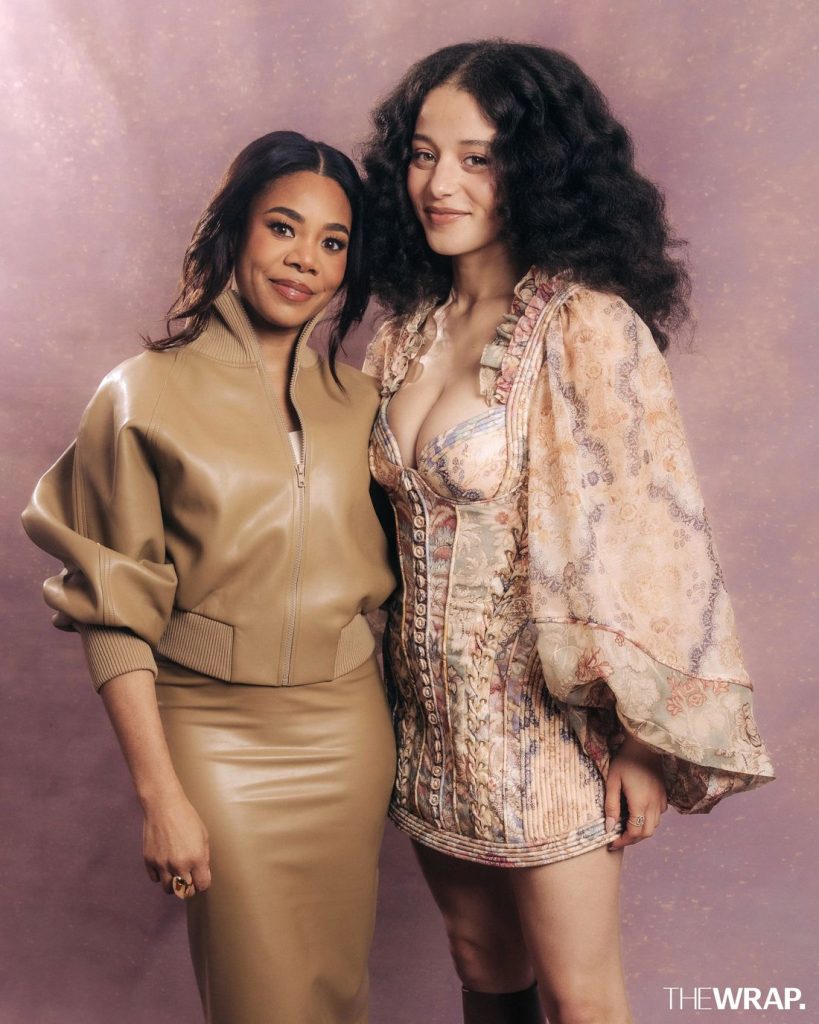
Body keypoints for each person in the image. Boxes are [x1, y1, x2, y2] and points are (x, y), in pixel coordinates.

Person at [360, 41, 774, 1024]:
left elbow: (658, 541)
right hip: (424, 722)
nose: (440, 184)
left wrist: (644, 743)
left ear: (537, 169)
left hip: (550, 731)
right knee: (479, 959)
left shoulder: (585, 326)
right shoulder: (406, 328)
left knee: (582, 999)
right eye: (422, 154)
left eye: (477, 157)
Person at [22, 131, 396, 1024]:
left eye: (332, 241)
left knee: (337, 993)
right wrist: (161, 796)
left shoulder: (362, 403)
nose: (304, 259)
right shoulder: (142, 393)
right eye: (282, 227)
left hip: (349, 734)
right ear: (236, 229)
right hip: (214, 735)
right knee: (262, 1001)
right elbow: (114, 612)